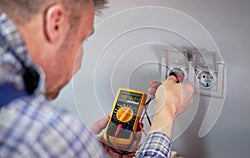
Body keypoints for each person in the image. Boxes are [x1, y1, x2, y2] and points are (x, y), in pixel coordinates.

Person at [0, 0, 194, 157]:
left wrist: (85, 151)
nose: (81, 61)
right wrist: (166, 111)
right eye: (82, 39)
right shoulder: (45, 133)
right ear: (55, 23)